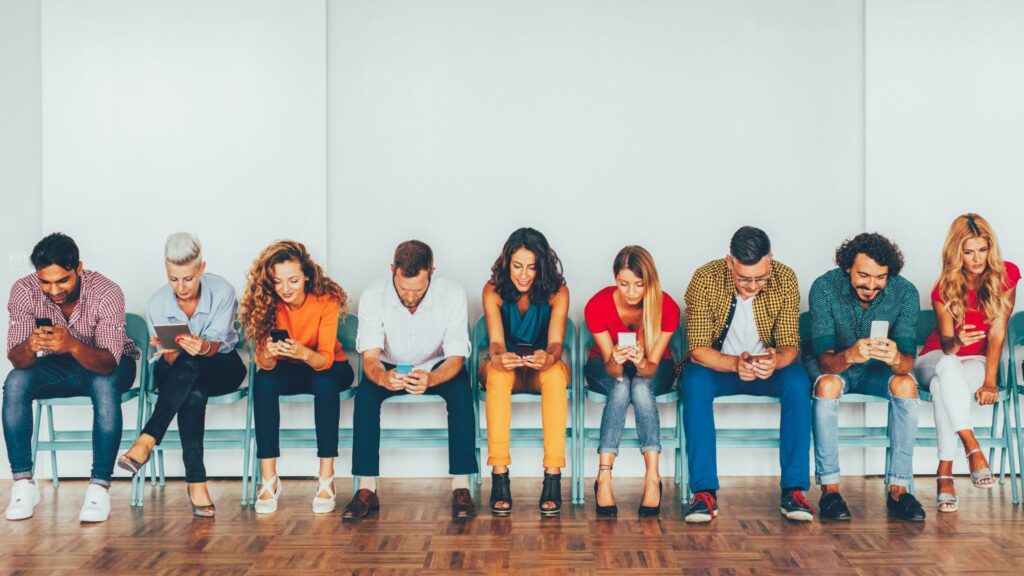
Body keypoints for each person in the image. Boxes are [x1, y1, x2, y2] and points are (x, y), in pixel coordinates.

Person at [4, 233, 139, 523]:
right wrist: (30, 345)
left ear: (78, 268)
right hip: (59, 366)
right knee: (15, 382)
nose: (54, 290)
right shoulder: (23, 291)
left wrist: (73, 344)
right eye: (45, 281)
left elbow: (107, 363)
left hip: (110, 362)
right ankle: (24, 484)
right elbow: (17, 360)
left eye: (62, 280)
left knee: (104, 384)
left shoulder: (107, 292)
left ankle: (99, 487)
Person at [681, 226, 813, 523]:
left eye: (760, 278)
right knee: (694, 381)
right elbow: (698, 349)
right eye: (744, 278)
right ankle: (704, 493)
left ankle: (794, 490)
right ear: (729, 263)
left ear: (771, 261)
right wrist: (733, 364)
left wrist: (777, 359)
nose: (753, 286)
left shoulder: (786, 278)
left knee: (797, 381)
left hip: (768, 369)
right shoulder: (705, 279)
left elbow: (791, 344)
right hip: (720, 367)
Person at [343, 240, 477, 520]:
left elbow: (455, 358)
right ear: (393, 270)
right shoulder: (373, 294)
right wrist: (382, 378)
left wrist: (431, 379)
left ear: (432, 272)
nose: (411, 296)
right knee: (366, 395)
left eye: (419, 289)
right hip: (389, 364)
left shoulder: (451, 294)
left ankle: (461, 486)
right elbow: (369, 359)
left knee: (462, 391)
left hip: (437, 364)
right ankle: (367, 487)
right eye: (404, 288)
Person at [116, 233, 246, 517]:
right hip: (178, 370)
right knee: (193, 389)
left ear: (201, 268)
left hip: (221, 364)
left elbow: (215, 348)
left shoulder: (222, 291)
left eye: (188, 278)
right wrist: (170, 349)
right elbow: (173, 360)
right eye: (173, 278)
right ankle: (196, 481)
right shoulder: (158, 303)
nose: (181, 286)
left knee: (193, 367)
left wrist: (201, 346)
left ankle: (146, 440)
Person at [808, 232, 925, 522]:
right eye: (863, 275)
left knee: (906, 384)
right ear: (848, 266)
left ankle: (899, 489)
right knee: (826, 386)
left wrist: (896, 358)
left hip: (878, 370)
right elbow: (824, 361)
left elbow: (907, 363)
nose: (871, 285)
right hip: (836, 366)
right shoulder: (824, 287)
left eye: (880, 278)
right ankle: (830, 490)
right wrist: (850, 354)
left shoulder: (905, 292)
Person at [240, 240, 354, 514]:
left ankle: (326, 477)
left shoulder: (326, 299)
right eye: (278, 282)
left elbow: (325, 357)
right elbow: (264, 364)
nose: (285, 289)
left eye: (292, 280)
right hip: (286, 366)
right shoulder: (266, 301)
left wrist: (303, 352)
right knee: (263, 383)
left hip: (327, 365)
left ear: (306, 276)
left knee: (325, 384)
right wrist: (268, 352)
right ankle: (269, 478)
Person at [915, 214, 1018, 512]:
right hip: (934, 358)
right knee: (946, 367)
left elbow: (998, 331)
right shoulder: (944, 286)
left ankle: (944, 473)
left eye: (982, 250)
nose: (977, 258)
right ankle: (972, 447)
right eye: (969, 251)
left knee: (942, 387)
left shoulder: (1007, 275)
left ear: (990, 248)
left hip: (974, 362)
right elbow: (946, 344)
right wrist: (958, 341)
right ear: (956, 252)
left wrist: (990, 380)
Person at [480, 228, 570, 516]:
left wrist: (549, 357)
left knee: (556, 375)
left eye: (532, 267)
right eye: (517, 266)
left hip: (541, 365)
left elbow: (556, 343)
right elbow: (495, 341)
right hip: (505, 364)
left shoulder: (558, 292)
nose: (523, 274)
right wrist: (497, 356)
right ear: (507, 263)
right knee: (496, 377)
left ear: (542, 265)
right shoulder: (492, 290)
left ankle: (552, 477)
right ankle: (500, 475)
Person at [584, 245, 678, 517]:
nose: (632, 292)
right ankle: (604, 476)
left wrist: (638, 361)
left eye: (639, 284)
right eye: (624, 284)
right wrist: (614, 358)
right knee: (623, 384)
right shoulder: (598, 305)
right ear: (615, 279)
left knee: (638, 385)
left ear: (650, 281)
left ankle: (652, 476)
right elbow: (613, 372)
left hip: (653, 367)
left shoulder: (666, 307)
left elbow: (649, 369)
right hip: (605, 366)